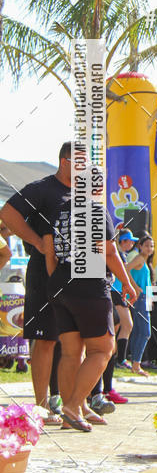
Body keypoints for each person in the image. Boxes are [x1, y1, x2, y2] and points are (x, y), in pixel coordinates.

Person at [42, 194, 138, 431]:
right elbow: (109, 251)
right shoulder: (95, 208)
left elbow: (49, 251)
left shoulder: (59, 208)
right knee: (103, 349)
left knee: (71, 352)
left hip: (61, 282)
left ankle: (75, 410)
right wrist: (127, 283)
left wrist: (59, 280)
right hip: (90, 283)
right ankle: (73, 406)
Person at [0, 142, 73, 424]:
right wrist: (36, 242)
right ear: (65, 161)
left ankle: (70, 403)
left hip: (76, 275)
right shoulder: (42, 188)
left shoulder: (83, 195)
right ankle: (41, 405)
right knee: (45, 339)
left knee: (72, 340)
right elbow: (8, 213)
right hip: (44, 272)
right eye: (81, 163)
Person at [127, 234, 155, 376]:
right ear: (140, 246)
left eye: (152, 245)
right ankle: (136, 364)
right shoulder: (139, 259)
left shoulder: (144, 260)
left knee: (138, 331)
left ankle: (135, 364)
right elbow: (126, 268)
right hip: (140, 298)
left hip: (144, 298)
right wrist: (134, 287)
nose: (150, 248)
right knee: (145, 332)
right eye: (147, 245)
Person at [112, 229, 136, 369]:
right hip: (114, 291)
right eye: (130, 241)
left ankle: (118, 358)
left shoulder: (122, 254)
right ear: (122, 241)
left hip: (120, 291)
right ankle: (118, 359)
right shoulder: (117, 252)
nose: (132, 244)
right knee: (125, 324)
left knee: (124, 325)